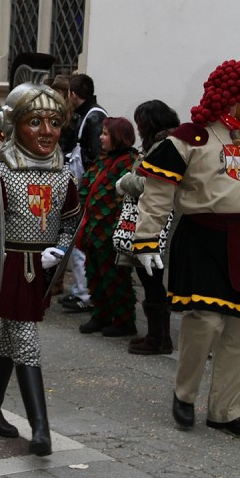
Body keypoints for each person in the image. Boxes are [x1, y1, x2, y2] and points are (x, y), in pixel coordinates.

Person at [134, 60, 240, 436]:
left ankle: (226, 409)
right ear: (230, 98)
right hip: (204, 237)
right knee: (205, 322)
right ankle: (185, 394)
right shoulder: (190, 138)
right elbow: (157, 196)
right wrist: (146, 239)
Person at [0, 83, 80, 455]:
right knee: (25, 340)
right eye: (35, 121)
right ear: (15, 125)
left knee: (11, 338)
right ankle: (41, 429)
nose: (46, 131)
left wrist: (60, 250)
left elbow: (71, 221)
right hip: (10, 268)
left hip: (40, 268)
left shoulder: (63, 176)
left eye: (54, 122)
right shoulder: (0, 172)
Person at [115, 100, 180, 355]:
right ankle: (157, 336)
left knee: (151, 277)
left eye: (141, 123)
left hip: (156, 222)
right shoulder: (164, 144)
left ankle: (158, 338)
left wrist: (125, 181)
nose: (139, 129)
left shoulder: (164, 147)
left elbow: (154, 184)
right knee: (149, 277)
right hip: (156, 219)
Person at [78, 117, 138, 337]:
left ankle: (124, 320)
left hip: (111, 229)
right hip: (93, 228)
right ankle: (101, 314)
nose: (100, 137)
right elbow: (88, 184)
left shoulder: (129, 161)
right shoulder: (103, 159)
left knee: (115, 276)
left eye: (105, 134)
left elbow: (126, 197)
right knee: (94, 273)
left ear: (118, 137)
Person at [60, 74, 108, 313]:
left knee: (79, 242)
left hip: (84, 189)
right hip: (79, 186)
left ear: (73, 94)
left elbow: (96, 155)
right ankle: (81, 290)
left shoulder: (94, 116)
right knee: (74, 241)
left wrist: (87, 185)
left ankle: (85, 293)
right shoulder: (85, 114)